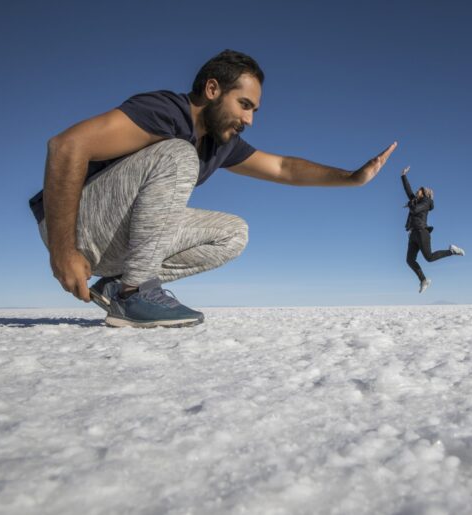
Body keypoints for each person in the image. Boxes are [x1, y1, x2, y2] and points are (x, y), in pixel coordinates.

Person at [29, 49, 397, 328]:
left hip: (115, 240)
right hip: (74, 228)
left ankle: (119, 285)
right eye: (244, 105)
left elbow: (283, 167)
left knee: (233, 233)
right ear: (212, 89)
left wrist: (352, 177)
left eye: (254, 110)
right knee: (179, 155)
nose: (249, 119)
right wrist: (63, 250)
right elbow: (66, 146)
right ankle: (135, 292)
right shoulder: (166, 111)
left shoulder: (220, 144)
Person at [401, 166, 464, 293]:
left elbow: (414, 209)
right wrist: (403, 176)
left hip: (421, 232)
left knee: (429, 258)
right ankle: (423, 280)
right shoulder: (415, 201)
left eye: (419, 190)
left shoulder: (426, 202)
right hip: (412, 234)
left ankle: (452, 251)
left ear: (424, 193)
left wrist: (409, 205)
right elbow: (408, 191)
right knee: (409, 260)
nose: (417, 191)